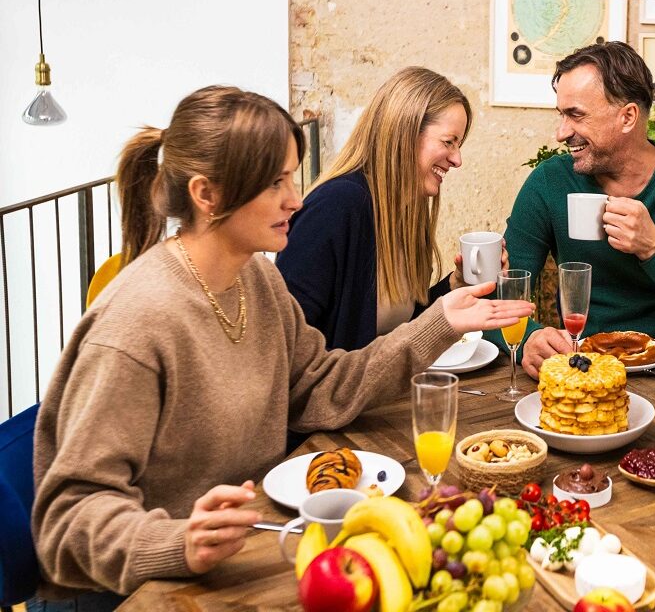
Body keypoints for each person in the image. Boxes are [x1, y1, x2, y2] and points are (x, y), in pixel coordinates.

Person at [29, 86, 533, 608]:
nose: (296, 198)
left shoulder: (259, 284)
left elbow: (321, 387)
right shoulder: (137, 324)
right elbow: (68, 520)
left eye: (291, 176)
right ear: (207, 195)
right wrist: (175, 542)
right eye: (275, 183)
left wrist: (439, 323)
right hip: (145, 591)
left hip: (252, 551)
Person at [503, 41, 655, 379]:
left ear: (628, 117)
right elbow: (496, 300)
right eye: (561, 115)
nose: (561, 133)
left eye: (576, 115)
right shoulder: (550, 182)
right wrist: (530, 338)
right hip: (583, 372)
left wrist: (654, 247)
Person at [277, 67, 491, 351]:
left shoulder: (404, 210)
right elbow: (286, 346)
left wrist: (456, 284)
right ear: (405, 134)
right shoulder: (337, 207)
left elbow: (401, 329)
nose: (457, 159)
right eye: (448, 142)